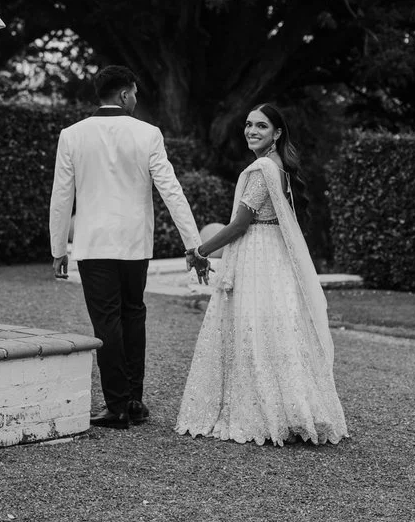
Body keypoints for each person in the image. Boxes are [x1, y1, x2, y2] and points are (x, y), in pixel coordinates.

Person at [176, 103, 348, 446]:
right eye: (248, 125)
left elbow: (240, 224)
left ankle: (263, 413)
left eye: (261, 126)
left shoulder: (261, 170)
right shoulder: (279, 167)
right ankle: (291, 411)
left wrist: (200, 251)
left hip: (258, 255)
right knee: (277, 330)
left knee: (254, 329)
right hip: (273, 254)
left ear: (277, 133)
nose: (251, 131)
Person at [50, 65, 208, 429]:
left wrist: (59, 247)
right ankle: (133, 399)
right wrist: (193, 245)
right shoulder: (148, 134)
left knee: (107, 321)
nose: (137, 99)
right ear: (123, 95)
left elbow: (62, 197)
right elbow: (171, 190)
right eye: (135, 93)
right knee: (134, 315)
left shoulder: (72, 135)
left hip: (93, 245)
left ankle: (117, 404)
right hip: (136, 243)